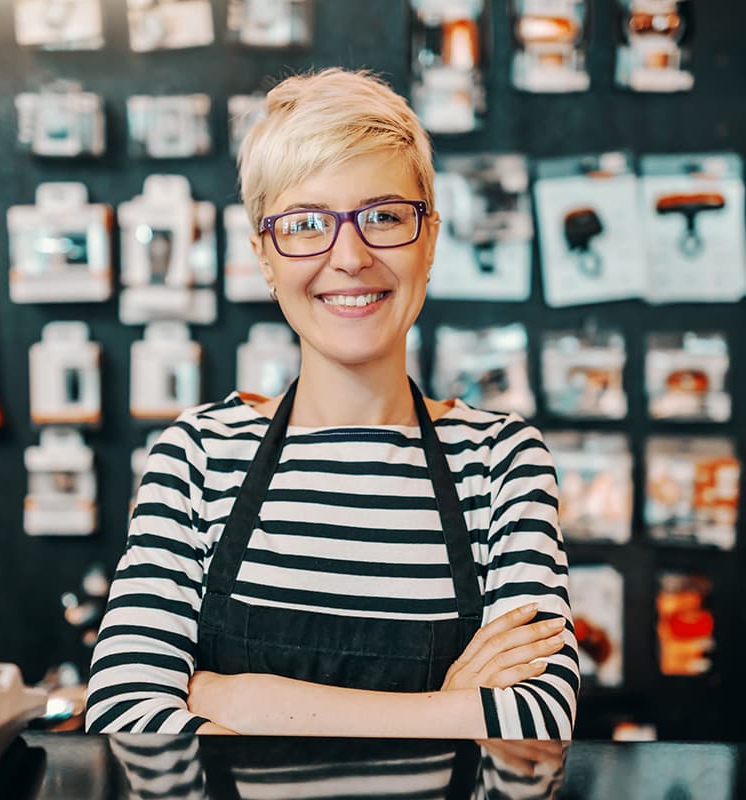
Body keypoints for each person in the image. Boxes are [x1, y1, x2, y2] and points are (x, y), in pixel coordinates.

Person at [86, 68, 579, 738]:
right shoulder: (199, 455)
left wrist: (238, 700)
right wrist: (449, 710)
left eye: (383, 216)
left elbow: (536, 723)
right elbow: (123, 714)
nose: (349, 256)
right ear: (265, 255)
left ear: (430, 239)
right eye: (307, 223)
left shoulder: (499, 462)